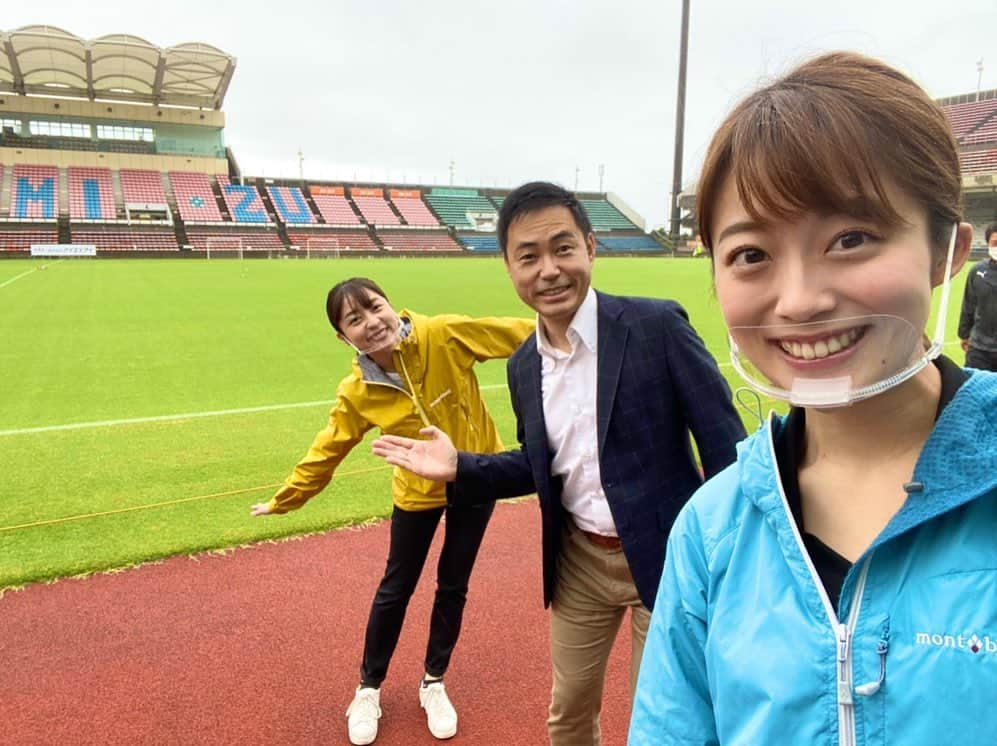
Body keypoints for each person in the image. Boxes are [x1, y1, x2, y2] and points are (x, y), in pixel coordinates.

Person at [629, 52, 997, 745]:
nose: (798, 302)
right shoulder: (711, 530)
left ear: (947, 250)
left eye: (850, 239)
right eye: (749, 254)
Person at [371, 182, 745, 745]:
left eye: (562, 248)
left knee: (664, 722)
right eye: (528, 256)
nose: (548, 270)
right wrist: (461, 467)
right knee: (568, 715)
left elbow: (723, 448)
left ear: (590, 247)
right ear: (509, 267)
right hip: (579, 565)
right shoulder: (524, 365)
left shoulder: (656, 327)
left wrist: (731, 559)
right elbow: (538, 465)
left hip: (668, 559)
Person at [251, 277, 533, 745]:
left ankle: (433, 682)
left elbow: (522, 334)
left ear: (392, 306)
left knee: (453, 583)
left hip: (475, 476)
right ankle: (368, 688)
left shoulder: (443, 335)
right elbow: (329, 448)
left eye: (374, 308)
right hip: (417, 493)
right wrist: (287, 498)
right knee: (395, 588)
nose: (371, 323)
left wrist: (581, 339)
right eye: (354, 320)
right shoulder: (359, 390)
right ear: (343, 337)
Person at [958, 222, 997, 371]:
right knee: (973, 389)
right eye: (995, 243)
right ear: (988, 244)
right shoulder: (977, 271)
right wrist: (964, 334)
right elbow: (969, 304)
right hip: (979, 349)